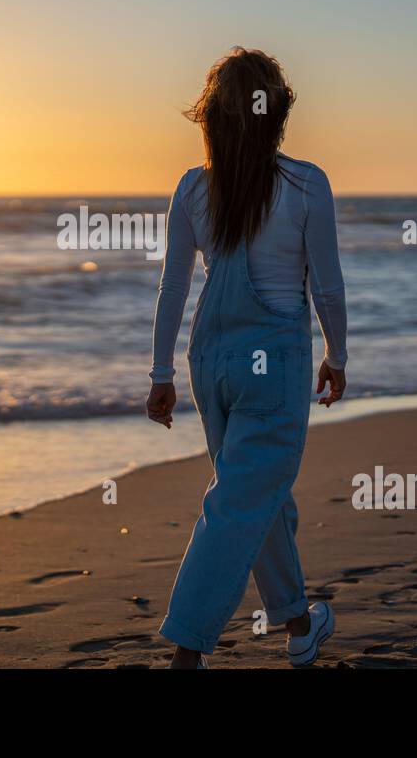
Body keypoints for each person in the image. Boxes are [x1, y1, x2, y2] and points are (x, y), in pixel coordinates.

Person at [145, 47, 348, 669]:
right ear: (276, 115)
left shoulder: (192, 188)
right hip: (274, 365)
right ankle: (187, 652)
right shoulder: (305, 183)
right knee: (238, 502)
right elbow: (328, 286)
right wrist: (338, 356)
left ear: (211, 120)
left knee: (258, 494)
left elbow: (174, 287)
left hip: (211, 364)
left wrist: (161, 374)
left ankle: (296, 624)